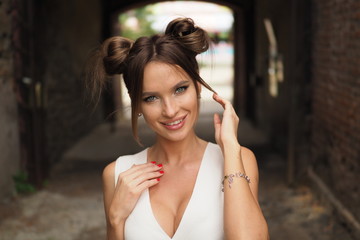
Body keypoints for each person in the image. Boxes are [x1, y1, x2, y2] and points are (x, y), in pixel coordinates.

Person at [87, 18, 269, 240]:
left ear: (198, 86)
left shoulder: (237, 160)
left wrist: (230, 147)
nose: (170, 110)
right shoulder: (117, 175)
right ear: (137, 105)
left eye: (180, 89)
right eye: (151, 98)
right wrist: (116, 219)